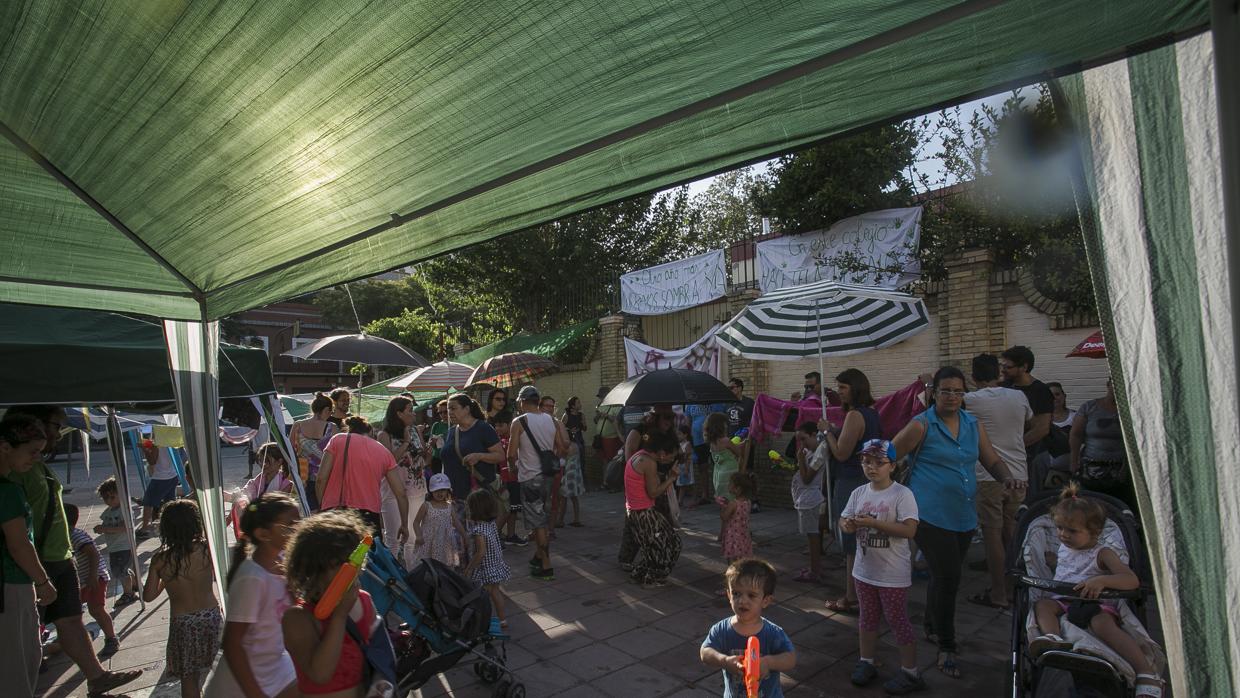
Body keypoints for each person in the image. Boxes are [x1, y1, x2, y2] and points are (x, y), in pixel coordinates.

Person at [891, 366, 1023, 680]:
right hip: (928, 514)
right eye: (946, 390)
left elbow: (989, 458)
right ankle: (946, 646)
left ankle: (931, 625)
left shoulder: (971, 423)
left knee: (942, 575)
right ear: (934, 392)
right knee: (949, 577)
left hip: (963, 515)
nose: (953, 397)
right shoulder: (921, 425)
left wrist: (1007, 478)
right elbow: (888, 453)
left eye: (958, 391)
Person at [5, 405, 142, 696]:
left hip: (57, 556)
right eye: (56, 425)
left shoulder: (34, 466)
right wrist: (40, 577)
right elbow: (18, 535)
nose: (59, 432)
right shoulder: (15, 477)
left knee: (69, 619)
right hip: (34, 563)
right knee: (23, 642)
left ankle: (96, 676)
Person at [1030, 482, 1163, 696]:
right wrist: (1052, 561)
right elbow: (1070, 567)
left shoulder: (1103, 553)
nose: (1063, 535)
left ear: (1095, 532)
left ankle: (1145, 672)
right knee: (1043, 605)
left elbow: (1131, 580)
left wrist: (1102, 581)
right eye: (1059, 528)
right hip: (1063, 601)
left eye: (1072, 530)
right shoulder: (1065, 547)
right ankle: (1054, 639)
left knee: (1102, 624)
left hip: (1094, 603)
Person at [841, 440, 924, 694]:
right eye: (867, 461)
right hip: (864, 571)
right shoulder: (859, 493)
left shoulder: (902, 494)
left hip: (892, 575)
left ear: (893, 466)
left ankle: (911, 672)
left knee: (898, 620)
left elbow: (910, 530)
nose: (872, 467)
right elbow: (844, 518)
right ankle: (866, 662)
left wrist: (875, 524)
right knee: (867, 619)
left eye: (879, 462)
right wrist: (848, 525)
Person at [205, 493, 301, 698]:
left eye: (298, 523)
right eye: (290, 525)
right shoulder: (252, 577)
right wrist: (255, 694)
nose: (297, 529)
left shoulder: (283, 562)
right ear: (264, 534)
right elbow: (232, 643)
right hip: (242, 684)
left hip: (275, 668)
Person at [282, 510, 382, 698]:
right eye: (340, 564)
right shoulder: (297, 618)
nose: (351, 571)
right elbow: (320, 674)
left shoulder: (363, 601)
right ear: (313, 568)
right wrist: (339, 615)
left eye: (354, 563)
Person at [964, 353, 1033, 609]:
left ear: (973, 377)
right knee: (1012, 533)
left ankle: (998, 593)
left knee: (992, 535)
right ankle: (1016, 588)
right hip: (1019, 473)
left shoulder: (970, 400)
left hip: (988, 475)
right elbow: (1028, 422)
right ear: (998, 374)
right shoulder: (1018, 396)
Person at [817, 368, 883, 614]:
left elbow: (842, 453)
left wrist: (826, 431)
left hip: (850, 481)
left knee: (850, 541)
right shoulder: (872, 414)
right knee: (865, 538)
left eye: (843, 388)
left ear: (856, 388)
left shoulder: (855, 415)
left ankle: (851, 596)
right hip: (867, 482)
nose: (839, 392)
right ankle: (868, 594)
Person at [143, 499, 223, 698]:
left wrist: (165, 580)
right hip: (211, 616)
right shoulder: (207, 550)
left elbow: (149, 596)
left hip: (182, 623)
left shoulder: (160, 560)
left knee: (189, 677)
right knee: (221, 669)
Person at [0, 415, 55, 697]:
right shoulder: (7, 492)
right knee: (19, 665)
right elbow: (19, 545)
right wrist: (43, 582)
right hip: (11, 585)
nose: (36, 458)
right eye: (32, 451)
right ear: (6, 446)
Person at [700, 558, 797, 698]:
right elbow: (705, 652)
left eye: (751, 595)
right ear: (728, 595)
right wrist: (725, 661)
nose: (742, 600)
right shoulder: (721, 629)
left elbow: (790, 659)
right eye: (736, 593)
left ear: (766, 600)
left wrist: (768, 662)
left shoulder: (773, 633)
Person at [316, 416, 409, 543]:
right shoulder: (383, 451)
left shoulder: (337, 440)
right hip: (368, 517)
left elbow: (321, 478)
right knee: (366, 559)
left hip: (336, 511)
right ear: (370, 432)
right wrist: (404, 524)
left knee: (334, 559)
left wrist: (322, 505)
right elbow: (401, 493)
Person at [509, 386, 566, 581]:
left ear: (523, 401)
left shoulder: (519, 422)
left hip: (530, 477)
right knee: (539, 518)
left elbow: (510, 453)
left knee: (539, 523)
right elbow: (561, 446)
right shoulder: (551, 420)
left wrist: (513, 467)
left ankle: (546, 566)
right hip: (547, 477)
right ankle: (537, 557)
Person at [623, 431, 682, 587]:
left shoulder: (640, 455)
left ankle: (639, 574)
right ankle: (652, 579)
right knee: (669, 545)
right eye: (672, 456)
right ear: (662, 453)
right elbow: (654, 492)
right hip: (644, 513)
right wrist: (672, 478)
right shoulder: (649, 462)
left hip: (638, 511)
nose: (672, 459)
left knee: (655, 546)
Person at [375, 396, 430, 559]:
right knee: (393, 539)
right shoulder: (384, 435)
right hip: (393, 492)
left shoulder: (415, 430)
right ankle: (392, 579)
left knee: (413, 537)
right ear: (398, 413)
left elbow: (425, 457)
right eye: (410, 410)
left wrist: (429, 449)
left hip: (417, 488)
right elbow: (388, 462)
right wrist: (406, 443)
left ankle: (412, 575)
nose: (414, 414)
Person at [1069, 379, 1134, 509]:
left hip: (1120, 469)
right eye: (1114, 385)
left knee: (1119, 507)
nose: (1116, 390)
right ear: (1108, 385)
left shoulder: (1130, 408)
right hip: (1091, 467)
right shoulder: (1089, 407)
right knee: (1090, 506)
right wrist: (1074, 461)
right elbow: (1075, 434)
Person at [65, 503, 119, 658]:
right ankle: (82, 638)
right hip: (82, 579)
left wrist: (93, 575)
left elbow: (93, 554)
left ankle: (111, 638)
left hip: (94, 577)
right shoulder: (65, 535)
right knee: (74, 613)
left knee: (96, 609)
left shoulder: (75, 535)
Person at [441, 394, 506, 507]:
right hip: (454, 494)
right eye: (448, 409)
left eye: (453, 408)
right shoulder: (452, 431)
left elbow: (500, 456)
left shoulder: (483, 428)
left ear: (466, 409)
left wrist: (479, 456)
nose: (449, 413)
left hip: (477, 493)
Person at [462, 489, 511, 628]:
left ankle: (484, 620)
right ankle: (503, 620)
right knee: (496, 592)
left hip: (485, 569)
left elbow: (480, 553)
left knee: (482, 597)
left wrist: (469, 567)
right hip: (495, 564)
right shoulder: (491, 525)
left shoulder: (479, 531)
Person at [1000, 346, 1055, 467]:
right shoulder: (1003, 386)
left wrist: (1014, 448)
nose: (1003, 370)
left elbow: (1041, 429)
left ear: (1024, 367)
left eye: (1008, 367)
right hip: (1007, 455)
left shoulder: (1040, 391)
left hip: (1033, 455)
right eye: (1002, 366)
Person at [94, 476, 140, 608]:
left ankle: (128, 593)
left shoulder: (124, 510)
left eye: (112, 497)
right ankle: (133, 584)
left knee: (119, 570)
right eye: (105, 498)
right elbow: (107, 525)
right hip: (114, 546)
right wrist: (101, 528)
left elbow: (124, 527)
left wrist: (105, 529)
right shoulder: (108, 512)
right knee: (122, 569)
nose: (109, 500)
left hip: (124, 545)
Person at [790, 423, 827, 584]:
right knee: (812, 535)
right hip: (806, 498)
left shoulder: (819, 452)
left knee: (813, 536)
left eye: (804, 439)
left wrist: (800, 460)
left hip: (810, 498)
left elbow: (806, 479)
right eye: (800, 441)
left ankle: (814, 571)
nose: (802, 444)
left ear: (814, 435)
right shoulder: (812, 451)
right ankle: (814, 568)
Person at [290, 392, 337, 511]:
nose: (330, 414)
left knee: (307, 514)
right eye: (331, 412)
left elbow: (290, 451)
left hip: (302, 478)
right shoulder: (332, 428)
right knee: (325, 513)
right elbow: (338, 455)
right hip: (325, 477)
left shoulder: (297, 426)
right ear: (326, 409)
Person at [413, 474, 465, 567]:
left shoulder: (449, 506)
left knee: (445, 565)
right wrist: (419, 535)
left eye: (443, 490)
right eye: (436, 490)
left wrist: (464, 535)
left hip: (445, 542)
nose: (440, 493)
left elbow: (456, 522)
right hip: (429, 541)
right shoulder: (426, 505)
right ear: (431, 491)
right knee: (428, 566)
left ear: (447, 491)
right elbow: (416, 522)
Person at [491, 412, 526, 547]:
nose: (497, 428)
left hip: (514, 479)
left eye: (501, 425)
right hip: (505, 480)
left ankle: (511, 535)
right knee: (505, 511)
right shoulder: (498, 441)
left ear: (510, 425)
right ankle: (493, 539)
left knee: (513, 509)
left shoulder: (513, 438)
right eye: (496, 425)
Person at [138, 433, 182, 536]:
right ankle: (173, 526)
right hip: (172, 475)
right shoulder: (171, 436)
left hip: (160, 477)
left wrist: (145, 449)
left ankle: (145, 529)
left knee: (148, 503)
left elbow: (152, 461)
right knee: (170, 503)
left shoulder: (157, 440)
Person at [721, 472, 753, 563]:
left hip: (732, 537)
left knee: (732, 559)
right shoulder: (748, 502)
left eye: (730, 484)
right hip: (743, 536)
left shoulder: (733, 504)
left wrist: (723, 508)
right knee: (741, 560)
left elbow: (724, 517)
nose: (728, 485)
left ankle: (732, 575)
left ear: (738, 489)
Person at [593, 387, 622, 463]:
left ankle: (610, 474)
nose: (601, 398)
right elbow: (595, 421)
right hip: (600, 438)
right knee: (603, 460)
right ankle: (605, 474)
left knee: (611, 460)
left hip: (611, 439)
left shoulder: (616, 406)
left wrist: (607, 416)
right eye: (600, 397)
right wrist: (598, 416)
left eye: (602, 396)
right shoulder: (600, 406)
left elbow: (618, 421)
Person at [675, 424, 695, 509]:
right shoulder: (679, 445)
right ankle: (680, 501)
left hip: (685, 468)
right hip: (680, 468)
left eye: (679, 434)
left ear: (685, 434)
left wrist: (686, 469)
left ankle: (693, 500)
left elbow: (688, 458)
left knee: (689, 485)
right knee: (682, 485)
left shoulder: (687, 445)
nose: (677, 436)